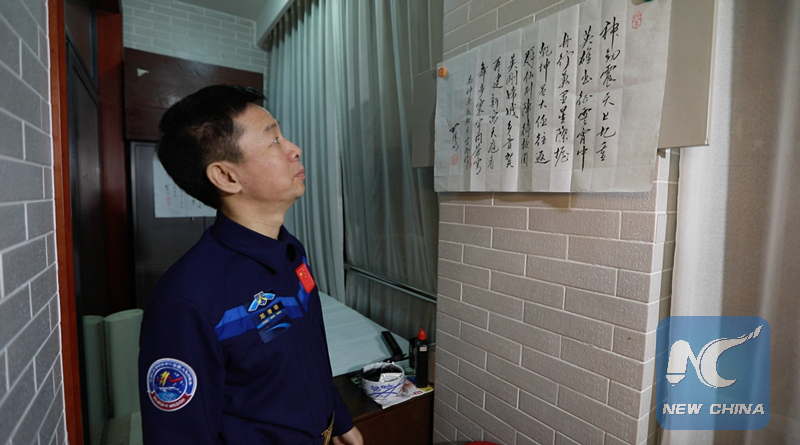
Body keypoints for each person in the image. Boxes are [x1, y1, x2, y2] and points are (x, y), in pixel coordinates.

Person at [138, 85, 363, 445]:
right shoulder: (185, 301)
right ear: (226, 176)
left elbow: (307, 348)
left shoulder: (289, 250)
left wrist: (336, 416)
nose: (294, 149)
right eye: (274, 140)